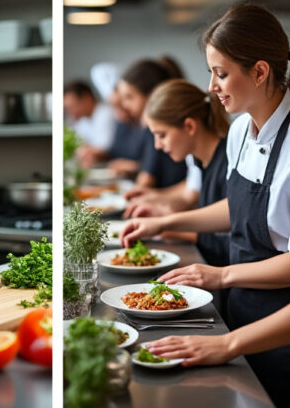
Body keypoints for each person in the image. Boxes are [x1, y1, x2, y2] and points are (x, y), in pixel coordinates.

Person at [120, 4, 290, 408]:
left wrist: (221, 274)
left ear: (259, 72)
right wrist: (165, 221)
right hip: (239, 310)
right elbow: (240, 209)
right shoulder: (241, 128)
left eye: (221, 73)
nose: (211, 86)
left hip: (286, 325)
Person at [137, 78, 231, 268]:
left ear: (189, 126)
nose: (157, 145)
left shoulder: (228, 161)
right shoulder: (200, 161)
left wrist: (171, 228)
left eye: (162, 135)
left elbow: (231, 243)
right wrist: (163, 215)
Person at [115, 59, 188, 191]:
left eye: (129, 97)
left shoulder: (154, 126)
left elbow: (147, 179)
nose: (124, 105)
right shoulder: (144, 124)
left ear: (152, 94)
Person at [63, 79, 116, 155]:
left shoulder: (107, 114)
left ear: (87, 98)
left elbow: (104, 149)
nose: (70, 112)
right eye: (67, 108)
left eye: (72, 107)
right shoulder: (82, 121)